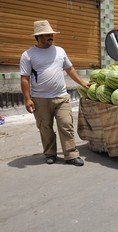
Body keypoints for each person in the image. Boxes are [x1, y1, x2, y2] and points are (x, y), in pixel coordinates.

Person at [20, 20, 90, 166]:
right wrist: (27, 99)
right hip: (40, 99)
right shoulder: (28, 55)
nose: (50, 36)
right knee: (45, 128)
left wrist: (82, 83)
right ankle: (50, 153)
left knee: (66, 124)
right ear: (38, 37)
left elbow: (69, 69)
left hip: (61, 96)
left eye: (51, 34)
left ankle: (71, 154)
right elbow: (25, 78)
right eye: (47, 35)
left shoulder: (60, 51)